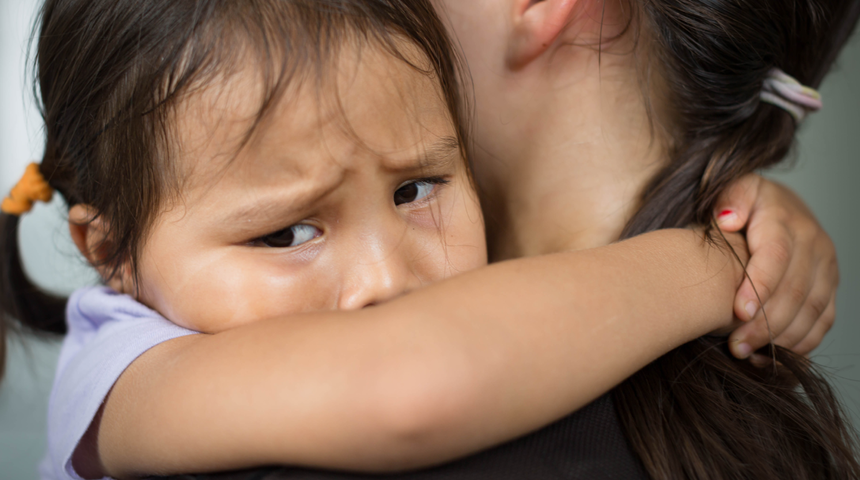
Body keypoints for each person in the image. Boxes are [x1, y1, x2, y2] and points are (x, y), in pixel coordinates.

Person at [0, 0, 847, 479]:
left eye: (415, 191)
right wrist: (715, 262)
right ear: (111, 255)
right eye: (287, 232)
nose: (386, 281)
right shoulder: (120, 362)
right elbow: (409, 382)